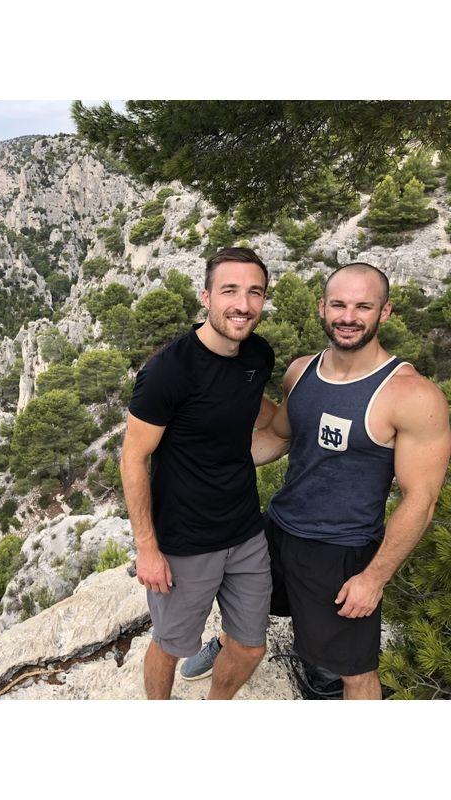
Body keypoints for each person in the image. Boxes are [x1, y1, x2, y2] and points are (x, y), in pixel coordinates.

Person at [182, 262, 451, 699]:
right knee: (242, 607)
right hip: (278, 528)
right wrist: (196, 466)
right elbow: (276, 436)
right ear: (322, 307)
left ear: (384, 313)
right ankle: (231, 642)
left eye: (364, 306)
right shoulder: (301, 372)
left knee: (354, 671)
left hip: (341, 549)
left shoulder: (412, 396)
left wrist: (374, 578)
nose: (349, 316)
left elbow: (421, 500)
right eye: (339, 304)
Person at [121, 247, 275, 699]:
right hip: (184, 542)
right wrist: (147, 549)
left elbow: (248, 414)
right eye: (229, 290)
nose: (242, 304)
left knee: (249, 647)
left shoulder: (258, 355)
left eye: (254, 292)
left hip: (246, 532)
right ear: (206, 297)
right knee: (170, 646)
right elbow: (133, 458)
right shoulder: (168, 372)